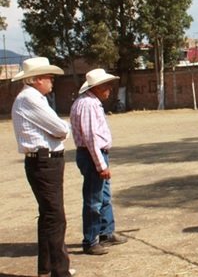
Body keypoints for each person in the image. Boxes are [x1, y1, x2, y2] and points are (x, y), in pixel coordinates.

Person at [11, 57, 75, 277]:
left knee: (49, 214)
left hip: (44, 160)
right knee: (55, 216)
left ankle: (47, 267)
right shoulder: (30, 98)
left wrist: (61, 129)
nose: (51, 81)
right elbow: (60, 128)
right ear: (36, 79)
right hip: (44, 161)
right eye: (48, 77)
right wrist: (62, 129)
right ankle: (59, 270)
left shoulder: (32, 98)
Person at [70, 68, 127, 255]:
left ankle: (105, 231)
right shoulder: (88, 104)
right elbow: (91, 137)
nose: (109, 88)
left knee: (103, 195)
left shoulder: (90, 102)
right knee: (94, 199)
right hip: (92, 154)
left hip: (94, 154)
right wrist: (101, 164)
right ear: (96, 87)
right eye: (106, 85)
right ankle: (91, 239)